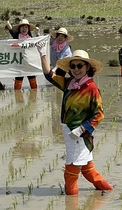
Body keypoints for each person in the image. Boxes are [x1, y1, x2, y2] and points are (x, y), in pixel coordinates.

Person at [38, 46, 112, 195]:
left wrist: (81, 129)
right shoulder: (69, 84)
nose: (76, 69)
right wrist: (43, 55)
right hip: (68, 131)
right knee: (87, 169)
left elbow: (99, 114)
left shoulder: (92, 88)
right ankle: (108, 190)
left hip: (79, 134)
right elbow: (49, 76)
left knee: (71, 169)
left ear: (87, 67)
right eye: (73, 66)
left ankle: (71, 200)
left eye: (80, 66)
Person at [6, 19, 39, 90]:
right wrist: (7, 22)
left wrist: (37, 33)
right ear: (19, 28)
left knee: (33, 83)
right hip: (19, 63)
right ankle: (18, 99)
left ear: (28, 29)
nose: (24, 29)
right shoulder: (16, 36)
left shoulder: (31, 38)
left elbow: (39, 42)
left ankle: (33, 98)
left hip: (29, 63)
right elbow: (11, 30)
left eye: (26, 27)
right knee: (18, 84)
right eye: (22, 27)